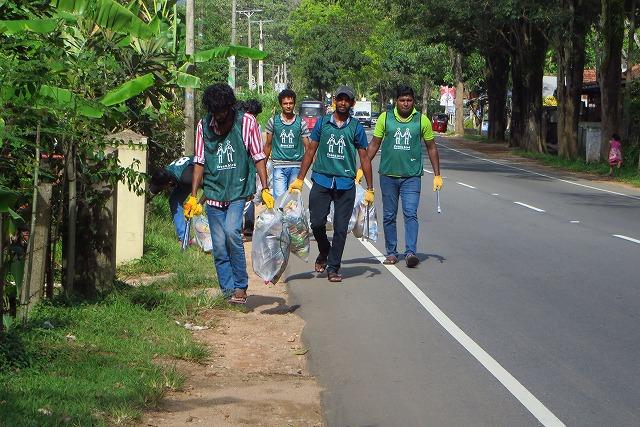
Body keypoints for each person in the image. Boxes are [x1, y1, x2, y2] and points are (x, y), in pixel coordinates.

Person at [183, 83, 274, 304]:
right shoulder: (203, 126)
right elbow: (199, 161)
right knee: (219, 243)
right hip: (214, 190)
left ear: (230, 107)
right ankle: (227, 290)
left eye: (223, 111)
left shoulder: (246, 122)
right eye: (215, 113)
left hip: (238, 189)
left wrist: (265, 188)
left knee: (232, 231)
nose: (219, 117)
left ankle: (241, 287)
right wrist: (194, 196)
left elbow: (258, 156)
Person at [289, 85, 374, 283]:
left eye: (347, 100)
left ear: (352, 103)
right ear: (335, 100)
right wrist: (300, 179)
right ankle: (324, 250)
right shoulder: (323, 122)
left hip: (345, 183)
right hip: (321, 179)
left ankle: (334, 267)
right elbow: (310, 150)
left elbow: (364, 157)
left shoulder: (356, 127)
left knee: (341, 228)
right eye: (340, 99)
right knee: (317, 223)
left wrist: (370, 188)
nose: (343, 103)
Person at [366, 84, 442, 267]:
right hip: (388, 176)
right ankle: (392, 253)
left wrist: (437, 175)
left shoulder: (421, 120)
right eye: (402, 100)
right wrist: (362, 167)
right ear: (396, 101)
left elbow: (432, 148)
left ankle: (410, 253)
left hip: (412, 177)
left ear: (413, 101)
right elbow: (374, 144)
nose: (406, 103)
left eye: (409, 100)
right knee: (389, 215)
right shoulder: (385, 118)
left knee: (410, 213)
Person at [264, 89, 311, 199]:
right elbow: (268, 145)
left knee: (292, 202)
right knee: (280, 200)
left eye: (291, 103)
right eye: (285, 103)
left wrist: (316, 168)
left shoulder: (301, 123)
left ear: (294, 104)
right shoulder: (273, 121)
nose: (288, 106)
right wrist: (263, 166)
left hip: (296, 166)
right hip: (279, 166)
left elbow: (308, 148)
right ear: (281, 104)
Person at [149, 156, 196, 245]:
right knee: (174, 200)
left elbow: (206, 185)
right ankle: (184, 238)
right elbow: (151, 193)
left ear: (169, 183)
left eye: (162, 188)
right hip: (185, 175)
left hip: (202, 168)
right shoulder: (162, 175)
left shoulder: (186, 178)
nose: (160, 190)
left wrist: (196, 201)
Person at [237, 99, 264, 239]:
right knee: (248, 195)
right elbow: (257, 151)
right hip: (248, 165)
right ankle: (247, 225)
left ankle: (244, 226)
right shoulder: (251, 122)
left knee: (244, 196)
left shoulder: (240, 121)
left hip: (246, 166)